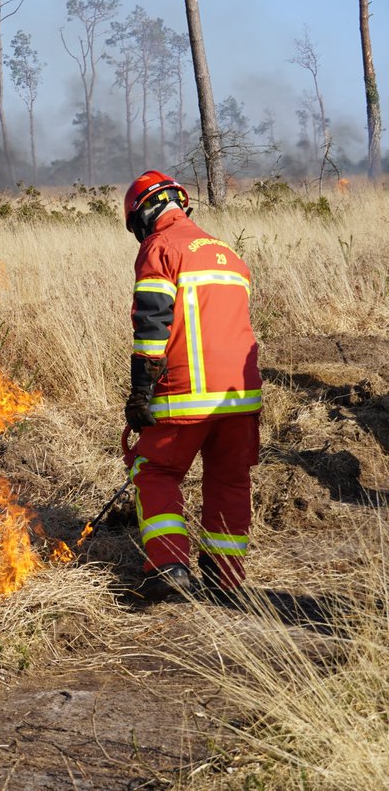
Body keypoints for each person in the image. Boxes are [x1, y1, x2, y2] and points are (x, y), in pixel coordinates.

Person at [121, 170, 262, 601]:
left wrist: (141, 391)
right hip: (241, 398)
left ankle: (169, 568)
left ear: (144, 213)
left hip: (184, 394)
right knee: (230, 480)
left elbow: (151, 322)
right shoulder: (228, 253)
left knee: (156, 471)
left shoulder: (160, 247)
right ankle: (226, 579)